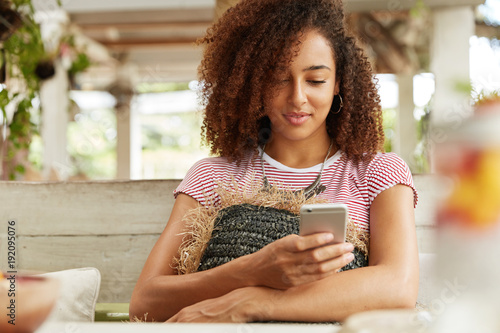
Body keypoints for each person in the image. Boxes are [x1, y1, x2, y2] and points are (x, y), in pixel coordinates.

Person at [130, 0, 419, 323]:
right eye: (279, 78)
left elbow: (399, 287)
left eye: (315, 80)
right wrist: (251, 270)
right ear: (254, 84)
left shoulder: (377, 173)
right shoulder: (212, 176)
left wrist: (251, 302)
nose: (297, 97)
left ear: (338, 82)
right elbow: (145, 302)